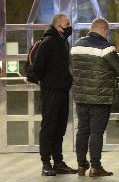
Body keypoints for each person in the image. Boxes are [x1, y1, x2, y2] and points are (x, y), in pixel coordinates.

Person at [70, 18, 119, 177]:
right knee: (96, 133)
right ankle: (95, 167)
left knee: (82, 131)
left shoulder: (76, 46)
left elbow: (72, 68)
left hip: (81, 96)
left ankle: (81, 165)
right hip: (100, 98)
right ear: (105, 30)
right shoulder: (106, 47)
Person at [32, 14, 76, 176]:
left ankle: (58, 162)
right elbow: (37, 68)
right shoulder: (48, 42)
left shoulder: (63, 41)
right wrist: (47, 82)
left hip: (63, 91)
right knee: (49, 128)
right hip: (51, 91)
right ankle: (46, 163)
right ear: (58, 26)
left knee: (59, 128)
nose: (69, 26)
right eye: (67, 23)